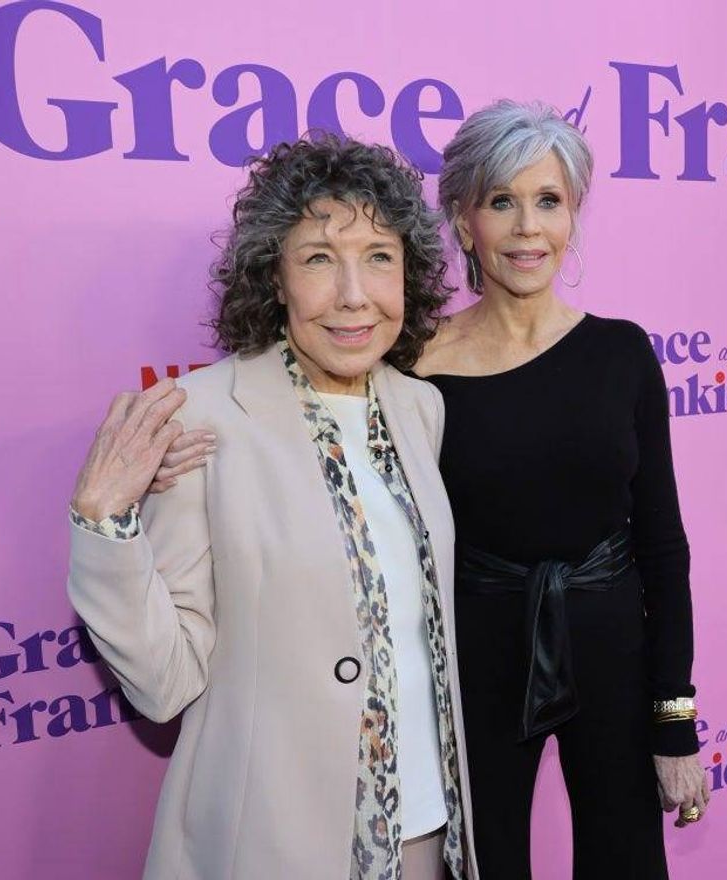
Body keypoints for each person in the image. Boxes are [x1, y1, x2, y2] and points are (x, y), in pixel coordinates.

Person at [66, 135, 477, 880]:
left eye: (379, 256)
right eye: (319, 258)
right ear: (275, 279)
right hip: (275, 846)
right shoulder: (202, 417)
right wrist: (104, 523)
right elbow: (164, 683)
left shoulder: (420, 408)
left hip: (427, 834)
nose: (354, 294)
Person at [413, 100, 709, 879]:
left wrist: (673, 721)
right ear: (463, 216)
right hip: (477, 653)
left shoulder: (621, 354)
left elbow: (663, 546)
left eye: (548, 201)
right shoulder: (417, 366)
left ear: (573, 214)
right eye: (500, 201)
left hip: (612, 642)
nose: (526, 229)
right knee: (484, 865)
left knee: (625, 862)